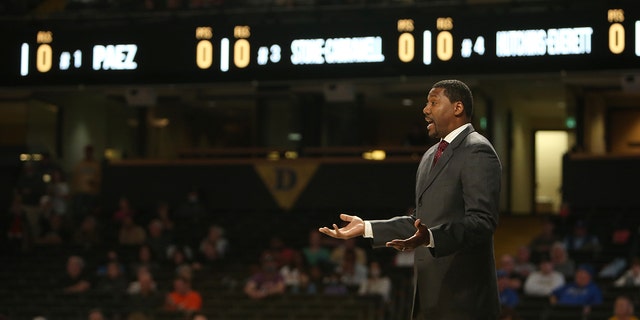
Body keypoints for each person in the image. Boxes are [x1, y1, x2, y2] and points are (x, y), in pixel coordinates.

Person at [319, 79, 502, 320]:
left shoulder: (477, 150)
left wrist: (433, 237)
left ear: (458, 108)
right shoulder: (429, 156)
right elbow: (419, 222)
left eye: (434, 103)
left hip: (464, 300)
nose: (425, 110)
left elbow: (482, 222)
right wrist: (367, 227)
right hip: (428, 298)